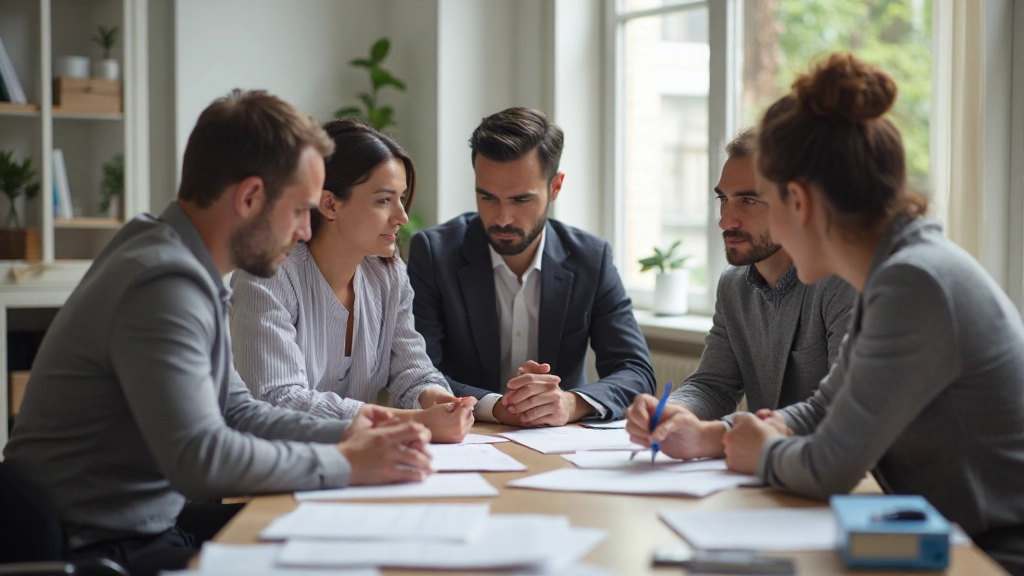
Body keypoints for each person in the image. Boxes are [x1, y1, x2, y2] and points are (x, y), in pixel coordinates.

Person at [2, 90, 433, 576]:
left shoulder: (176, 260)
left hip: (149, 526)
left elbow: (238, 410)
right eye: (298, 211)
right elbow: (200, 457)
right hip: (99, 548)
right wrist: (348, 464)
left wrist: (356, 431)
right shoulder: (161, 282)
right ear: (250, 197)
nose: (305, 233)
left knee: (354, 537)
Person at [714, 54, 1024, 575]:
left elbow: (830, 466)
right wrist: (751, 428)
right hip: (940, 537)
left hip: (989, 556)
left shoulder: (914, 283)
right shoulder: (894, 273)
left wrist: (762, 453)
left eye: (764, 201)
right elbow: (824, 409)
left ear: (799, 201)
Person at [230, 119, 475, 443]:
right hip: (271, 475)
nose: (402, 216)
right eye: (384, 200)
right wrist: (413, 421)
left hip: (356, 468)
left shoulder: (388, 274)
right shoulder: (267, 276)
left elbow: (411, 368)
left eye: (401, 198)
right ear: (330, 204)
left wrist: (435, 399)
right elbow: (279, 399)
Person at [408, 107, 655, 427]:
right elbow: (417, 371)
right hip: (467, 437)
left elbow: (636, 371)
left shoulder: (591, 259)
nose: (502, 218)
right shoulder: (434, 254)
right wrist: (497, 406)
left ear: (555, 187)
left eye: (521, 200)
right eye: (487, 198)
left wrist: (570, 402)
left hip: (558, 443)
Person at [625, 127, 855, 459]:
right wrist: (672, 412)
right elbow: (713, 386)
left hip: (833, 477)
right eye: (723, 199)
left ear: (796, 203)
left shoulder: (840, 282)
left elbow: (840, 408)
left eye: (748, 201)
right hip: (767, 475)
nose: (725, 221)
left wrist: (718, 435)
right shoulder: (733, 284)